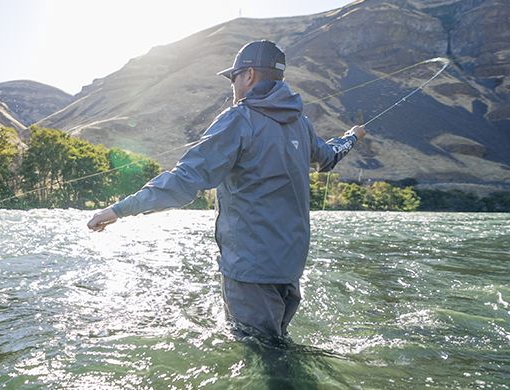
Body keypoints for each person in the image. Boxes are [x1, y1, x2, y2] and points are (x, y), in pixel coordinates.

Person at [87, 40, 365, 339]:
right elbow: (328, 157)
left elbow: (184, 181)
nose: (232, 86)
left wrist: (118, 210)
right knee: (276, 347)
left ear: (248, 76)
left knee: (261, 359)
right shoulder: (302, 124)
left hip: (250, 271)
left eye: (234, 77)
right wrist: (351, 137)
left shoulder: (239, 119)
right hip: (290, 270)